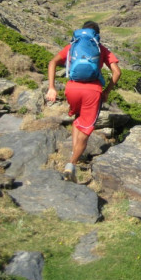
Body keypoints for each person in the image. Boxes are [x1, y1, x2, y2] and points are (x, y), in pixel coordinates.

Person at [45, 21, 121, 182]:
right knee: (86, 130)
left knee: (77, 119)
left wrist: (51, 87)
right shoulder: (101, 49)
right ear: (97, 35)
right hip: (92, 92)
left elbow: (52, 62)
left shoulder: (73, 46)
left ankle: (74, 153)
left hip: (72, 89)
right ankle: (71, 165)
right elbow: (117, 72)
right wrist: (107, 91)